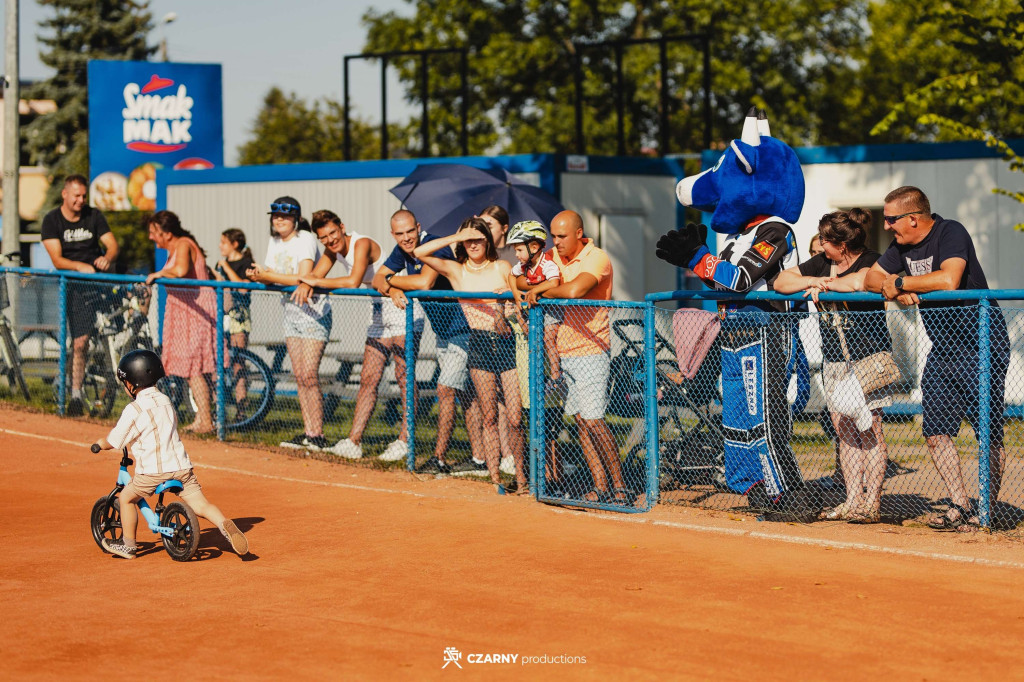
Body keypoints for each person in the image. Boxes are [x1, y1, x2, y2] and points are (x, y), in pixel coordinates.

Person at [864, 186, 1010, 531]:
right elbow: (870, 277)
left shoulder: (951, 231)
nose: (886, 227)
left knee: (986, 431)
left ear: (913, 218)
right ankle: (958, 504)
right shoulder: (901, 246)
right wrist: (897, 287)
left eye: (890, 219)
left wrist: (900, 282)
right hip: (942, 348)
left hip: (981, 343)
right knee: (935, 432)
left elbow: (949, 278)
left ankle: (986, 511)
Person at [776, 209, 893, 523]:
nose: (821, 246)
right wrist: (815, 280)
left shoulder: (872, 258)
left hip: (868, 360)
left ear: (842, 244)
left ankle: (872, 502)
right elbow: (783, 281)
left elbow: (859, 281)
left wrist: (827, 286)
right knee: (844, 432)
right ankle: (853, 500)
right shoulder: (822, 263)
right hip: (835, 362)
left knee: (870, 429)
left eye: (826, 240)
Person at [91, 349, 248, 559]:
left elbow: (115, 440)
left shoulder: (134, 409)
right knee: (201, 504)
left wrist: (101, 444)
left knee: (127, 498)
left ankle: (128, 545)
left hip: (154, 472)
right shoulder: (165, 400)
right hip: (182, 468)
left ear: (131, 383)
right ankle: (223, 524)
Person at [295, 210, 425, 462]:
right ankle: (354, 441)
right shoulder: (332, 251)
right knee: (368, 378)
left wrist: (311, 281)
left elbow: (354, 281)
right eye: (323, 237)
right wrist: (306, 282)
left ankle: (405, 441)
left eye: (333, 233)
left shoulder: (361, 243)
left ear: (342, 227)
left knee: (403, 376)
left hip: (400, 307)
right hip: (377, 312)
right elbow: (314, 276)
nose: (330, 240)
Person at [521, 210, 629, 504]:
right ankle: (600, 487)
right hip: (563, 352)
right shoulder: (553, 257)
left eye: (561, 236)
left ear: (579, 234)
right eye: (553, 236)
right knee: (581, 422)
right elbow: (520, 280)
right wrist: (540, 286)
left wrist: (542, 289)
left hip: (592, 350)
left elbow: (576, 289)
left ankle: (620, 488)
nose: (555, 243)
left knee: (594, 420)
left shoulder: (597, 258)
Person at [414, 217, 528, 494]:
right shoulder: (457, 271)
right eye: (469, 239)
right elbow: (420, 252)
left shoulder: (502, 266)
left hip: (506, 342)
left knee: (514, 417)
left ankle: (523, 477)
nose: (473, 243)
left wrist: (508, 300)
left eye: (478, 238)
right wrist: (456, 237)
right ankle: (496, 478)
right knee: (488, 416)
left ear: (488, 240)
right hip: (478, 343)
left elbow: (520, 295)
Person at [371, 209, 484, 475]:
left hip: (464, 329)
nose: (407, 238)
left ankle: (439, 458)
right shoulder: (401, 251)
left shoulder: (433, 246)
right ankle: (479, 459)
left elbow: (424, 281)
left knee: (445, 390)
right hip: (444, 331)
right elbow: (376, 278)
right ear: (393, 234)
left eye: (410, 231)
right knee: (466, 396)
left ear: (418, 227)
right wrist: (392, 287)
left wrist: (391, 281)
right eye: (400, 234)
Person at [246, 197, 332, 451]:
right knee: (299, 377)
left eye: (285, 216)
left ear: (296, 219)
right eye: (275, 216)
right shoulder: (274, 242)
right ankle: (309, 432)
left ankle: (318, 435)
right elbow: (272, 277)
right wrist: (259, 276)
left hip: (313, 313)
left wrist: (267, 276)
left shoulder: (304, 238)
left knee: (309, 375)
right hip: (291, 314)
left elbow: (304, 276)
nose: (279, 220)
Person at [41, 174, 119, 416]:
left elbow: (113, 245)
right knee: (80, 342)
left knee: (122, 327)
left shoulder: (94, 215)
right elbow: (56, 259)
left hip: (101, 283)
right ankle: (75, 395)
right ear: (65, 194)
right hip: (75, 286)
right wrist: (79, 266)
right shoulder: (52, 220)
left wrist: (108, 258)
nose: (81, 200)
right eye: (76, 195)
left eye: (84, 195)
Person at [144, 211, 218, 434]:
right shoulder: (174, 248)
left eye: (153, 233)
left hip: (195, 312)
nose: (151, 237)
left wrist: (158, 274)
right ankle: (203, 417)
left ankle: (206, 421)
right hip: (184, 312)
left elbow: (181, 271)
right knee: (190, 369)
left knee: (194, 368)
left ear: (166, 233)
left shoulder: (184, 244)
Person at [213, 228, 255, 419]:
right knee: (217, 362)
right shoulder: (220, 265)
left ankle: (241, 410)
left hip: (239, 317)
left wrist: (227, 269)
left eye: (224, 242)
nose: (220, 246)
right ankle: (217, 408)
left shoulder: (246, 263)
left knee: (238, 363)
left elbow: (243, 289)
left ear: (234, 244)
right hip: (222, 316)